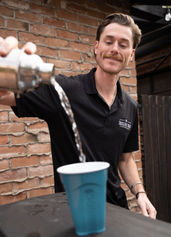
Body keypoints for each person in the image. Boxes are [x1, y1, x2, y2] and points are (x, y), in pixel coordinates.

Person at [0, 13, 157, 218]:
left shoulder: (129, 105)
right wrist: (5, 72)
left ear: (131, 54)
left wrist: (140, 193)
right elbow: (8, 95)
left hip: (118, 211)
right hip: (72, 212)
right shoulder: (64, 90)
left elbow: (125, 158)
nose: (114, 49)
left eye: (123, 44)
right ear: (96, 46)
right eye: (108, 41)